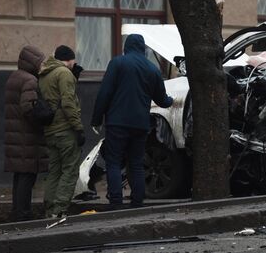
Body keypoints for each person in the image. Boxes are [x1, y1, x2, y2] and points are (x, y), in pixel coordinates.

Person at [91, 34, 173, 209]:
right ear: (143, 49)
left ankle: (116, 203)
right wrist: (172, 100)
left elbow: (104, 93)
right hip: (140, 125)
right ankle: (137, 202)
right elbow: (162, 100)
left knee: (113, 163)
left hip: (117, 123)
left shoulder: (117, 64)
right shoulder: (152, 69)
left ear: (126, 47)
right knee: (136, 164)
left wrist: (96, 119)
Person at [39, 45, 85, 218]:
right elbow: (67, 103)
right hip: (65, 130)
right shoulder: (64, 73)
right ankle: (59, 211)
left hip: (50, 131)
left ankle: (50, 209)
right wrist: (78, 128)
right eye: (74, 60)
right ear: (69, 59)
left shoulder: (44, 74)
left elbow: (54, 98)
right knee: (70, 170)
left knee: (54, 172)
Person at [4, 45, 47, 221]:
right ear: (32, 62)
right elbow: (28, 107)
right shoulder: (30, 80)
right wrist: (42, 118)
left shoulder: (14, 77)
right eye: (40, 62)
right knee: (27, 176)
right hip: (27, 136)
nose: (42, 66)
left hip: (16, 134)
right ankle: (23, 213)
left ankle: (17, 211)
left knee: (20, 175)